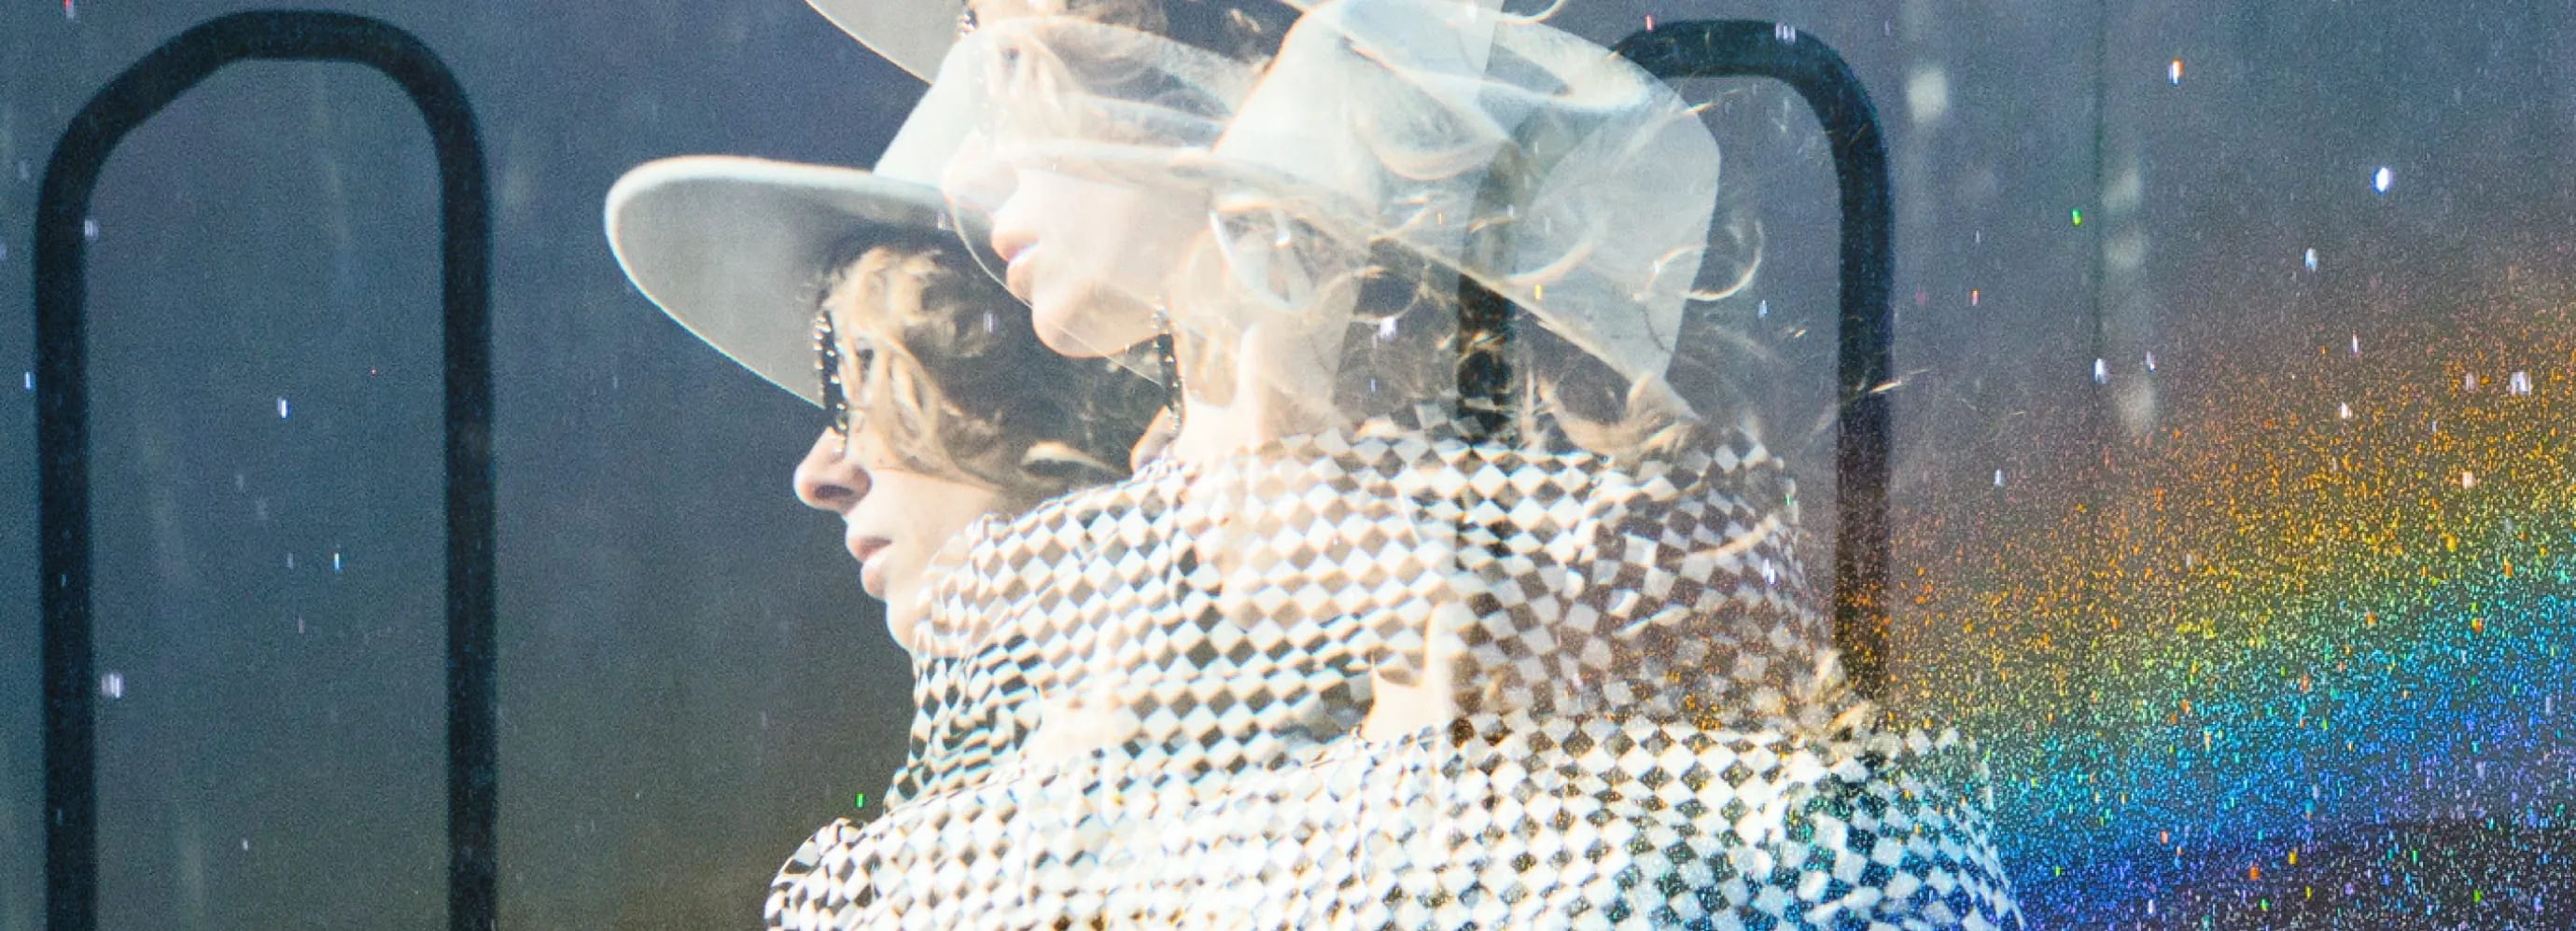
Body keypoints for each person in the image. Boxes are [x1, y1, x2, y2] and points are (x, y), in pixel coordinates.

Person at [600, 115, 1166, 924]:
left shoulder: (1172, 810)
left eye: (863, 386)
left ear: (1049, 386)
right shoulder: (1019, 810)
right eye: (836, 395)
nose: (817, 476)